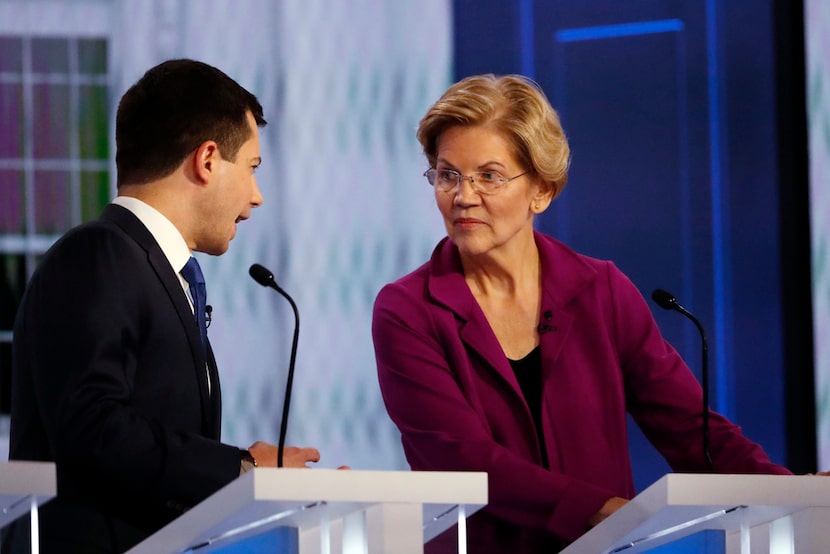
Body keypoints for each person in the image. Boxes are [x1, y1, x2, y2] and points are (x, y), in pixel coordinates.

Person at [371, 74, 792, 553]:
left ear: (542, 191)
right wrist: (601, 510)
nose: (464, 196)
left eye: (488, 175)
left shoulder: (601, 291)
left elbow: (692, 431)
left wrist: (791, 494)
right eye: (448, 174)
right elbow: (459, 457)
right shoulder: (407, 310)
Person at [6, 59, 323, 553]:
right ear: (208, 159)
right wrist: (240, 469)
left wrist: (252, 478)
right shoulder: (97, 254)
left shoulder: (154, 270)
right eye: (253, 169)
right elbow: (93, 426)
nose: (257, 196)